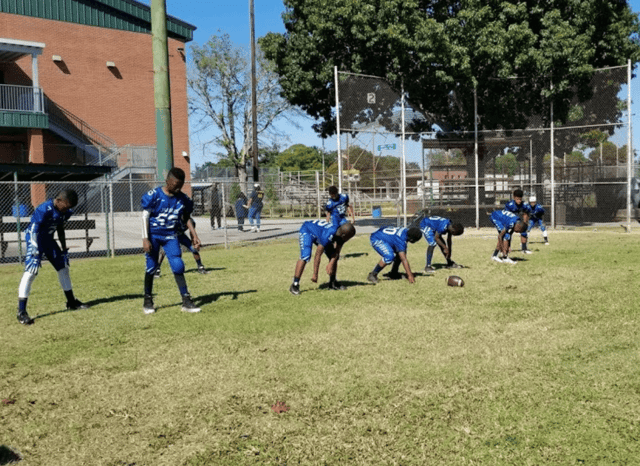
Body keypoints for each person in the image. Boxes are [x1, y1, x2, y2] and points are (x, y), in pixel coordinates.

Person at [17, 189, 89, 325]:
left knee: (63, 268)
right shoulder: (44, 209)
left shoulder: (65, 211)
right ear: (59, 200)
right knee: (31, 272)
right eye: (66, 206)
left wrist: (63, 247)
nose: (66, 210)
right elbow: (33, 230)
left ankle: (71, 302)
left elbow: (60, 227)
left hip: (49, 240)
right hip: (35, 239)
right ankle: (21, 312)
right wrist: (35, 250)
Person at [141, 167, 201, 314]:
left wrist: (194, 235)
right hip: (154, 235)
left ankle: (186, 301)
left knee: (178, 265)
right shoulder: (154, 195)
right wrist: (145, 238)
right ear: (168, 181)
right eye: (175, 185)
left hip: (170, 235)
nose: (178, 189)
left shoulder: (183, 199)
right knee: (151, 266)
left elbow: (186, 217)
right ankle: (147, 300)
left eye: (180, 186)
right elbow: (145, 216)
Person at [289, 220, 356, 295]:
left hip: (321, 233)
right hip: (307, 230)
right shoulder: (328, 234)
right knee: (305, 255)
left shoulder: (341, 233)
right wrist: (315, 274)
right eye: (349, 237)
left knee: (332, 256)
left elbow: (336, 253)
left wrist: (331, 262)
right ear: (344, 235)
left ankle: (332, 282)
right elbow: (318, 255)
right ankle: (295, 284)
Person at [504, 188, 533, 254]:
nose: (519, 201)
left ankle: (524, 249)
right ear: (514, 198)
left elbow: (527, 213)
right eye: (517, 199)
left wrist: (525, 222)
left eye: (520, 199)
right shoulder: (509, 205)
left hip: (520, 222)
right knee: (508, 234)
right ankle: (507, 248)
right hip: (510, 222)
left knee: (524, 232)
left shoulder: (524, 205)